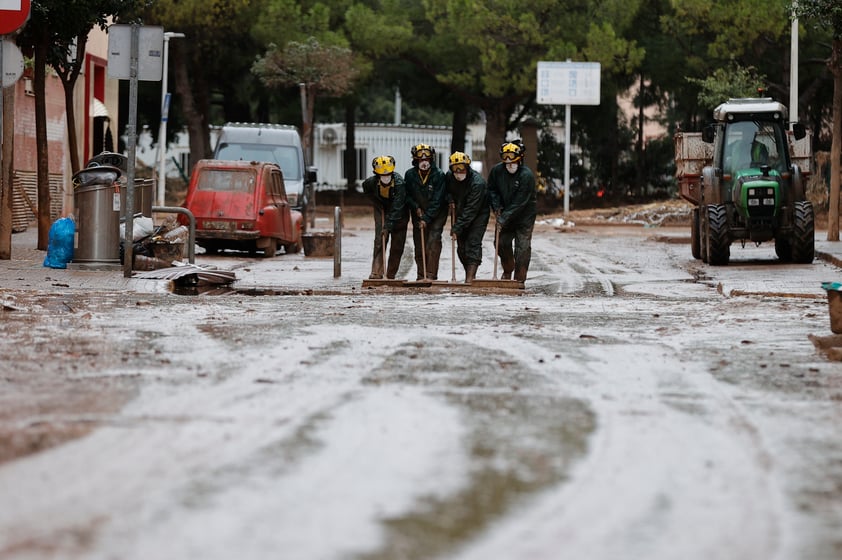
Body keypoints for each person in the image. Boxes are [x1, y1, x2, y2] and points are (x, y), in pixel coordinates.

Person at [487, 140, 537, 282]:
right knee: (500, 243)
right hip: (504, 213)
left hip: (524, 216)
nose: (509, 163)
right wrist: (496, 206)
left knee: (522, 248)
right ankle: (508, 268)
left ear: (519, 158)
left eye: (513, 159)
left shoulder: (526, 175)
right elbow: (492, 190)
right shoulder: (497, 171)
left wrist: (503, 218)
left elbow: (519, 203)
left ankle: (520, 278)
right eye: (506, 159)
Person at [445, 152, 490, 283]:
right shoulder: (450, 177)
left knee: (473, 244)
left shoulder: (478, 183)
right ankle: (469, 274)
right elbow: (446, 191)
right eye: (455, 168)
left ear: (468, 167)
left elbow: (472, 209)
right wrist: (449, 199)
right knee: (461, 247)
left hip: (478, 215)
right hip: (460, 212)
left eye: (462, 168)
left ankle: (470, 278)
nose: (458, 171)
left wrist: (457, 227)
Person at [404, 144, 448, 280]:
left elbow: (438, 200)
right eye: (421, 159)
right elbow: (407, 195)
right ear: (415, 160)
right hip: (418, 214)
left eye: (427, 159)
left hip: (437, 214)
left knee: (433, 242)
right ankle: (421, 275)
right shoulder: (410, 174)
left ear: (431, 159)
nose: (424, 162)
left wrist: (426, 218)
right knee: (419, 244)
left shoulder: (439, 175)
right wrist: (415, 207)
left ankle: (431, 275)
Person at [361, 155, 408, 279]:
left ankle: (391, 274)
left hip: (400, 214)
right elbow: (366, 190)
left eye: (388, 175)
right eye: (383, 176)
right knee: (380, 239)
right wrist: (377, 203)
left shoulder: (399, 184)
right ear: (377, 175)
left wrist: (388, 226)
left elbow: (398, 206)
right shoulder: (370, 182)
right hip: (381, 209)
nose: (386, 178)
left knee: (397, 245)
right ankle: (376, 271)